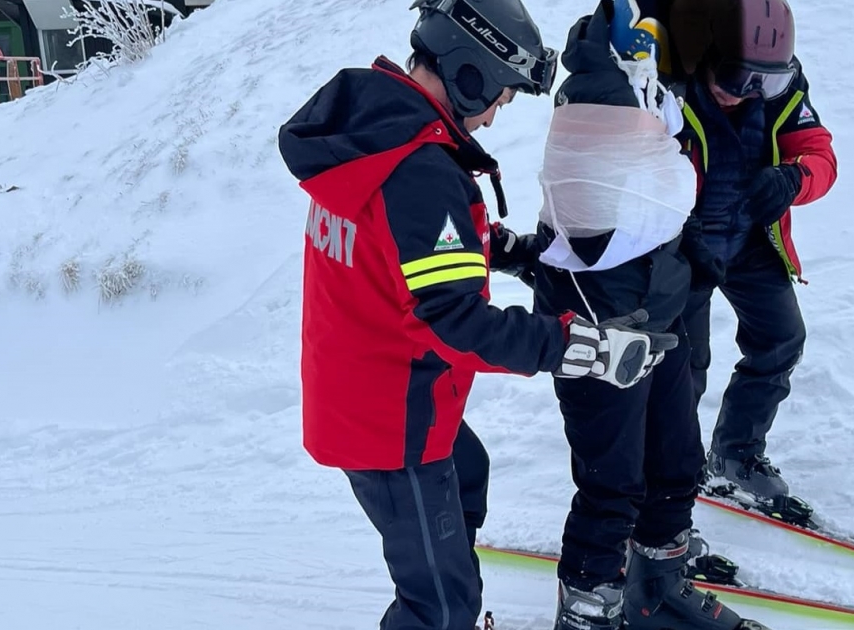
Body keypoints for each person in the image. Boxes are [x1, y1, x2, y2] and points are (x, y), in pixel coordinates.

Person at [275, 2, 679, 630]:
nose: (494, 114)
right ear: (471, 74)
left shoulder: (374, 133)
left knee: (468, 474)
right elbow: (458, 323)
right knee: (439, 605)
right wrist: (590, 351)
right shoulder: (422, 172)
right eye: (500, 98)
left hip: (367, 392)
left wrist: (503, 249)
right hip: (391, 423)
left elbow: (399, 246)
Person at [491, 2, 768, 629]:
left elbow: (655, 200)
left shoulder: (651, 83)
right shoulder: (602, 90)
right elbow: (598, 226)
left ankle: (657, 579)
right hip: (600, 322)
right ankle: (589, 601)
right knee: (613, 478)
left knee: (676, 459)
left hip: (659, 305)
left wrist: (690, 252)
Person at [669, 0, 839, 509]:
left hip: (749, 240)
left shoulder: (780, 86)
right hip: (683, 249)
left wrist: (794, 178)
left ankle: (736, 453)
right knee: (683, 366)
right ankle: (674, 469)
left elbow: (819, 151)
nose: (748, 94)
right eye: (738, 78)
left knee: (782, 339)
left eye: (764, 84)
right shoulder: (663, 87)